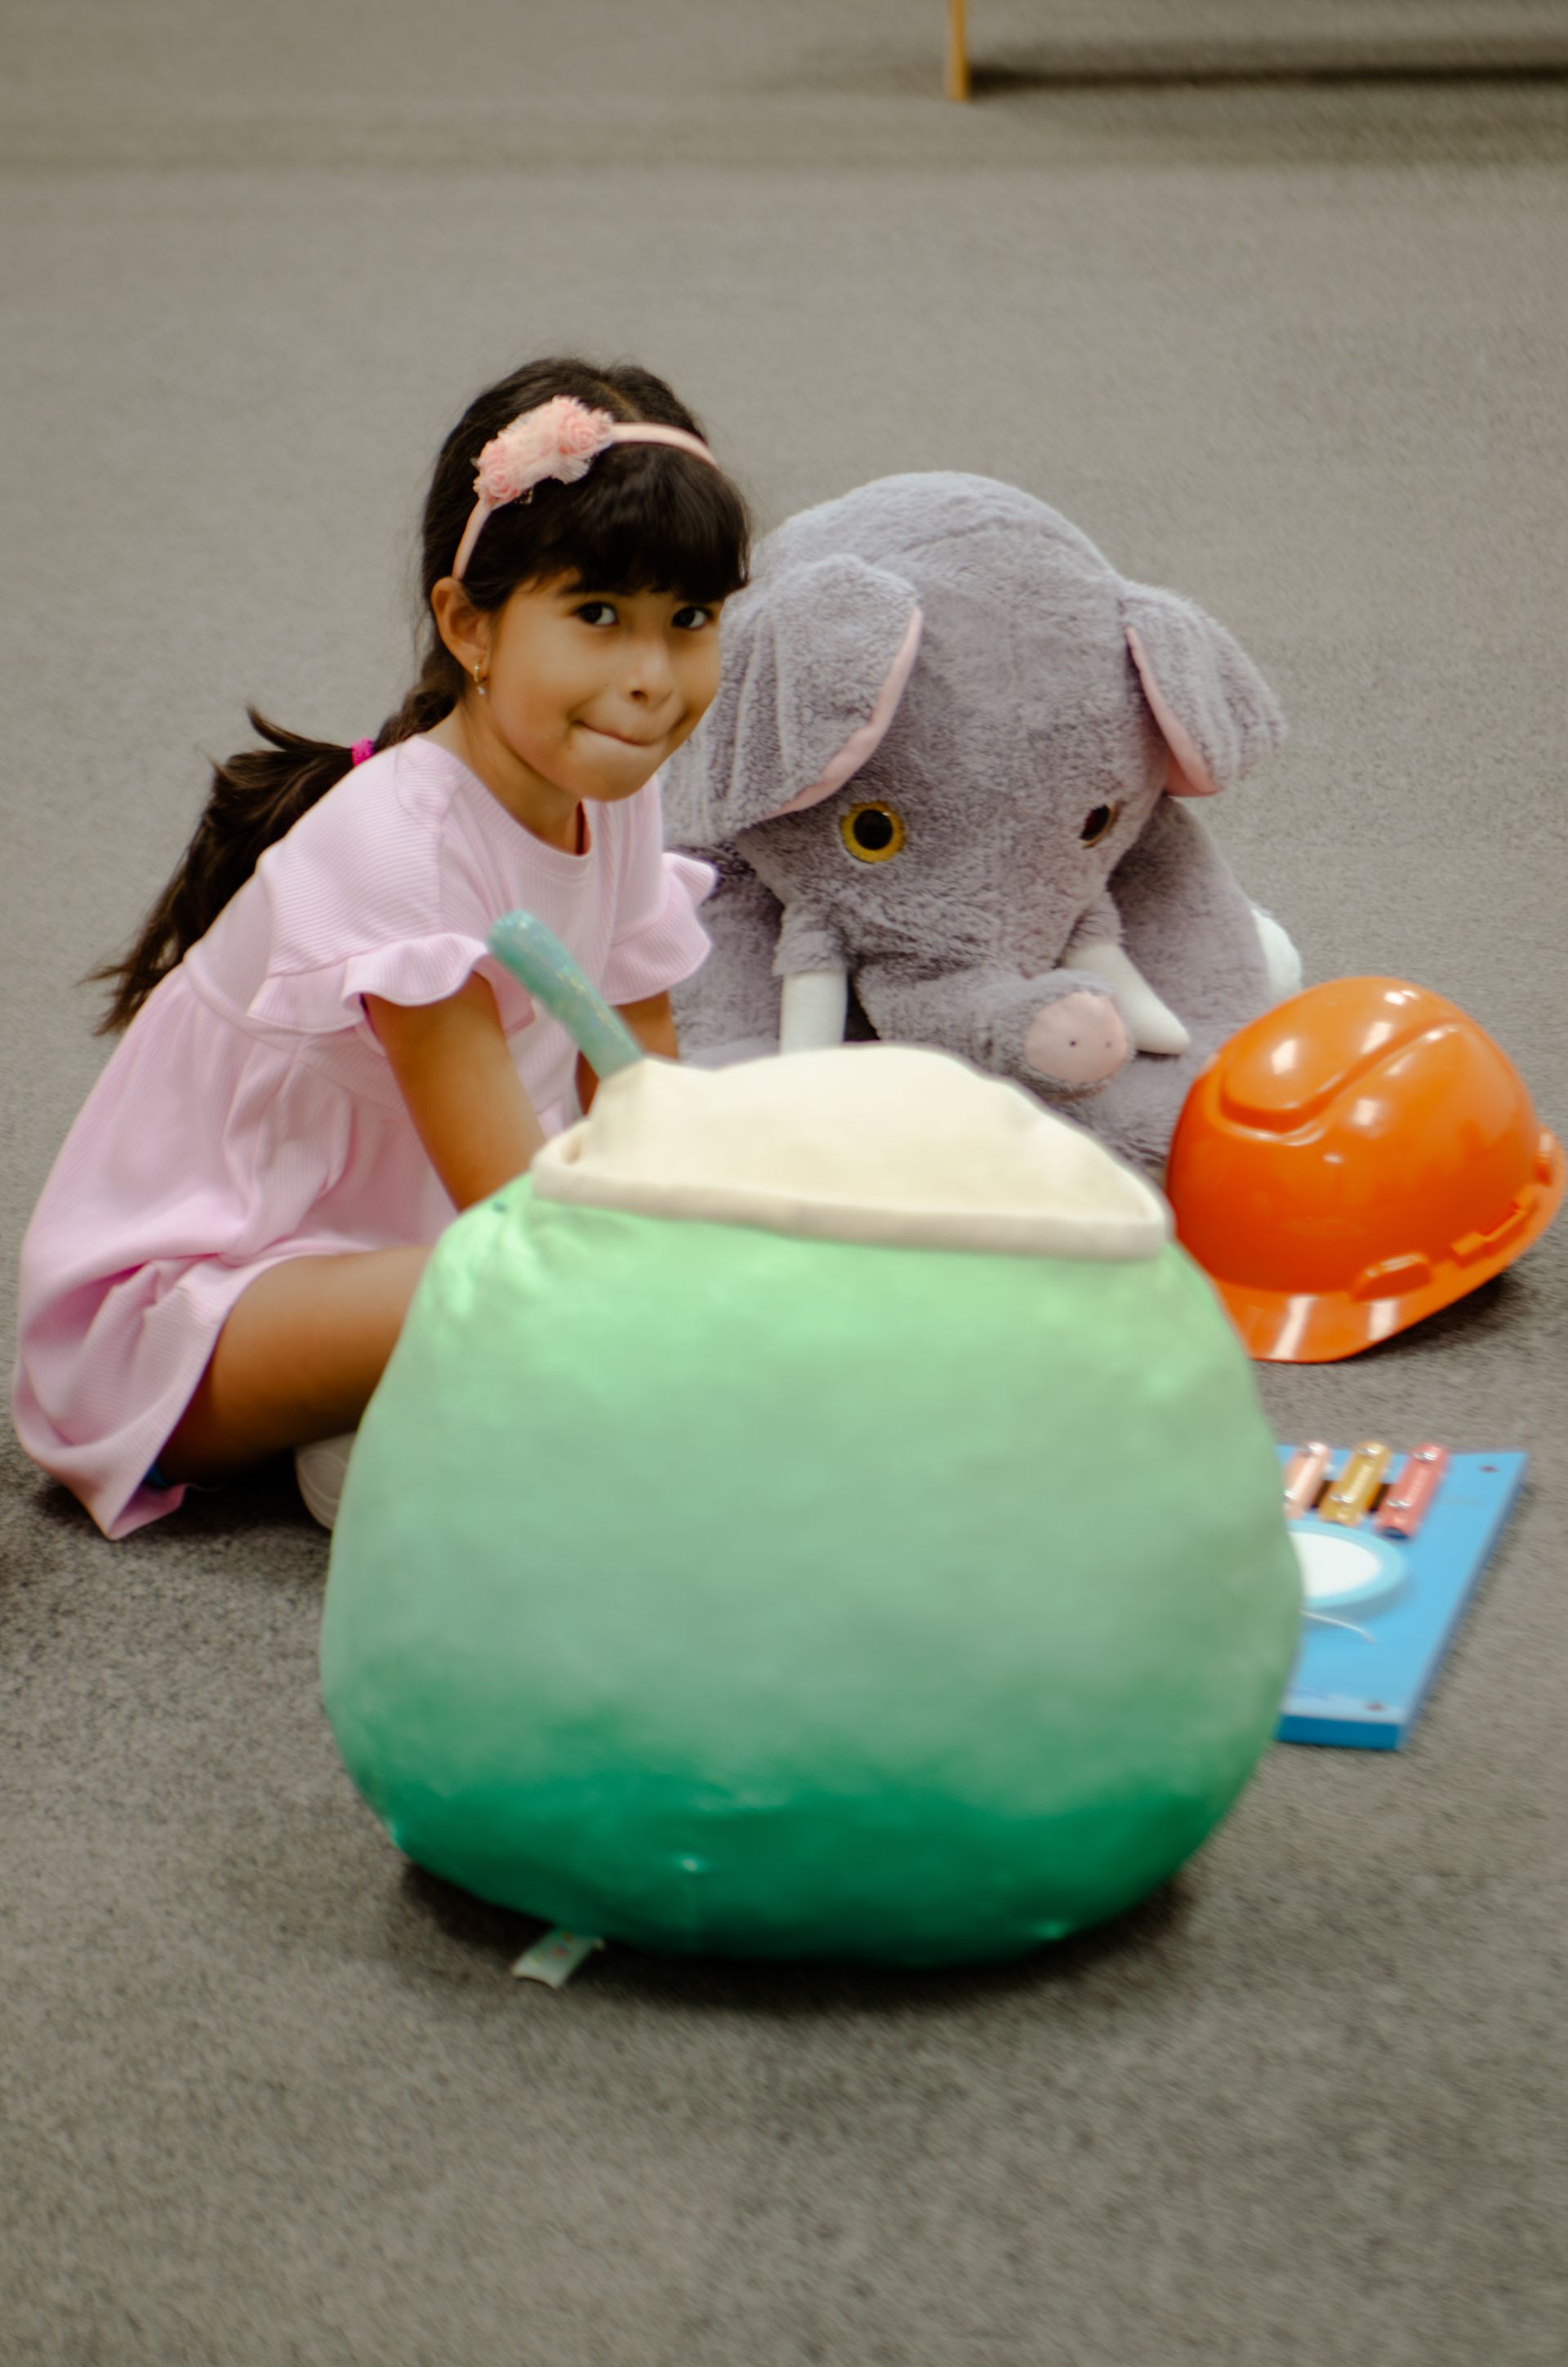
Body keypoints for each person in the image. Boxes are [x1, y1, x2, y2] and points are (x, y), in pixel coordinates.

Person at [11, 357, 751, 1537]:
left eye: (692, 620)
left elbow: (644, 1097)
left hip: (385, 1239)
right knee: (552, 1282)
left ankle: (402, 1410)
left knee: (707, 1241)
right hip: (185, 1314)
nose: (652, 679)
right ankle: (404, 1430)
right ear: (471, 625)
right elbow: (518, 1217)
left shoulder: (609, 790)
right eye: (598, 615)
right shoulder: (402, 848)